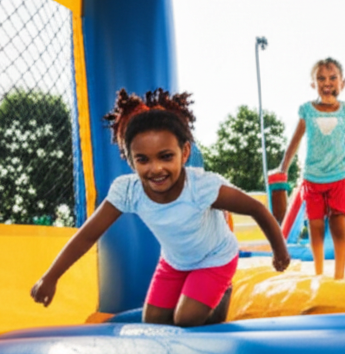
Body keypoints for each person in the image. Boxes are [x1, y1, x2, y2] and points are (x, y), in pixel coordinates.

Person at [32, 88, 290, 327]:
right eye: (143, 160)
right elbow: (88, 235)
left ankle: (224, 291)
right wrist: (51, 276)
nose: (155, 169)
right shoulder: (127, 191)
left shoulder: (201, 188)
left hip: (215, 258)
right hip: (174, 261)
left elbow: (257, 209)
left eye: (166, 156)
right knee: (153, 323)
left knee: (185, 319)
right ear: (130, 160)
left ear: (184, 153)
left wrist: (279, 251)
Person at [279, 58, 345, 279]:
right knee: (315, 226)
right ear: (313, 84)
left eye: (333, 78)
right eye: (321, 78)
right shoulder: (308, 111)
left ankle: (339, 275)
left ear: (342, 83)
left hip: (339, 176)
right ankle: (318, 272)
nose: (327, 82)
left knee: (338, 224)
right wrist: (283, 167)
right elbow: (295, 140)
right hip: (313, 178)